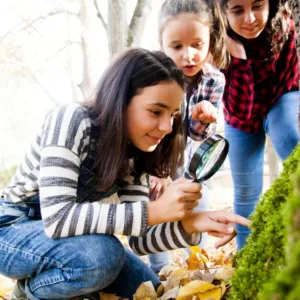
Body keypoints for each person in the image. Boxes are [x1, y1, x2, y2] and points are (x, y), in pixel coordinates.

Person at [0, 48, 250, 300]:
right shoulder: (70, 119)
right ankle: (26, 294)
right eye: (155, 111)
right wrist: (155, 210)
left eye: (173, 115)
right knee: (102, 257)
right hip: (11, 228)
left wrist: (191, 223)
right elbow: (58, 218)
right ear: (120, 100)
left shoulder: (136, 152)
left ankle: (70, 288)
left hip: (70, 241)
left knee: (148, 288)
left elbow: (140, 241)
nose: (167, 127)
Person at [148, 0, 229, 274]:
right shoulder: (152, 77)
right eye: (177, 47)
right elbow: (149, 129)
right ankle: (157, 271)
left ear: (209, 40)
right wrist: (157, 171)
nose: (189, 56)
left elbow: (198, 134)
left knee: (197, 203)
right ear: (162, 44)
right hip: (156, 156)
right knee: (155, 207)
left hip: (190, 159)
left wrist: (203, 119)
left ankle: (198, 264)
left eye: (197, 45)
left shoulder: (213, 79)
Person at [219, 0, 300, 249]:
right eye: (237, 10)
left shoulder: (285, 25)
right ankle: (245, 257)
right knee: (245, 192)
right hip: (240, 117)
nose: (250, 18)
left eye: (257, 6)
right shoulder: (214, 42)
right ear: (223, 12)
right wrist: (239, 58)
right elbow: (241, 111)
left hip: (282, 96)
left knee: (288, 135)